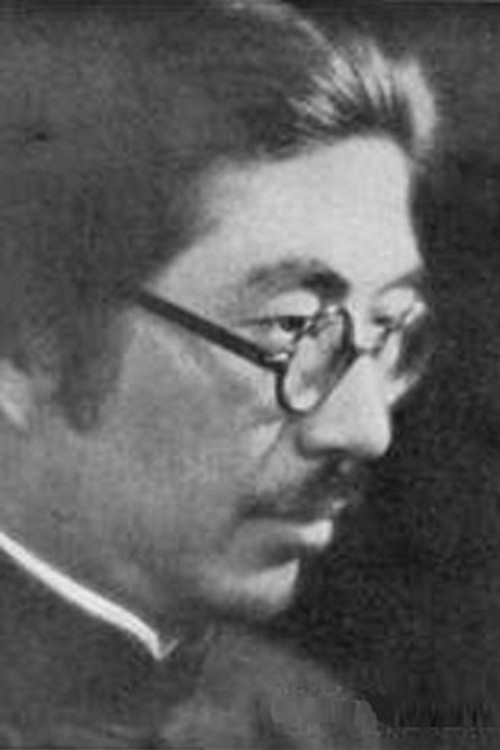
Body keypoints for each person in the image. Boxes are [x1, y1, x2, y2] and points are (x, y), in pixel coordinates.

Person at [0, 0, 436, 746]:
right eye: (293, 327)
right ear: (27, 351)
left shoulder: (321, 725)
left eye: (391, 326)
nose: (367, 430)